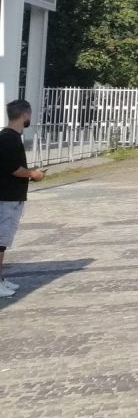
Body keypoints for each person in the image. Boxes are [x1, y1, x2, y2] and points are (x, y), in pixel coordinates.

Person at [0, 99, 46, 299]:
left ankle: (1, 279)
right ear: (25, 114)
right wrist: (34, 174)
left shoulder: (9, 137)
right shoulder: (9, 139)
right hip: (6, 197)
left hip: (9, 195)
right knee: (0, 242)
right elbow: (14, 169)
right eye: (30, 114)